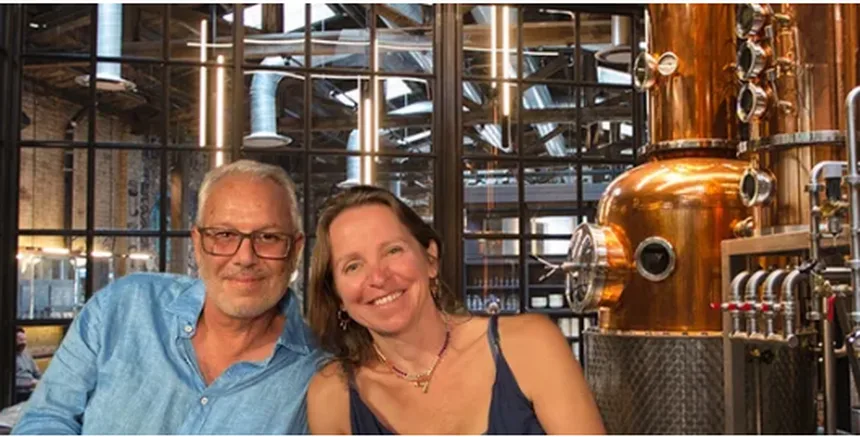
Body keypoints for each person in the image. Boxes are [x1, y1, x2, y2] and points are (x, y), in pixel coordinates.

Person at [13, 159, 324, 434]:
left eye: (268, 237)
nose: (245, 257)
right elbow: (46, 418)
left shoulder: (320, 377)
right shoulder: (122, 308)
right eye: (225, 235)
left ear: (296, 250)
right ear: (197, 243)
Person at [304, 185, 606, 435]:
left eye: (393, 250)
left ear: (430, 259)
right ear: (337, 295)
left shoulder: (529, 345)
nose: (379, 278)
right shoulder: (332, 397)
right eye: (353, 266)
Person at [15, 328, 41, 405]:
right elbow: (10, 383)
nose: (24, 342)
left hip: (32, 390)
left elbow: (37, 373)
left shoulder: (27, 354)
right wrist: (29, 383)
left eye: (25, 340)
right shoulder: (7, 357)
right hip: (20, 393)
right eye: (20, 340)